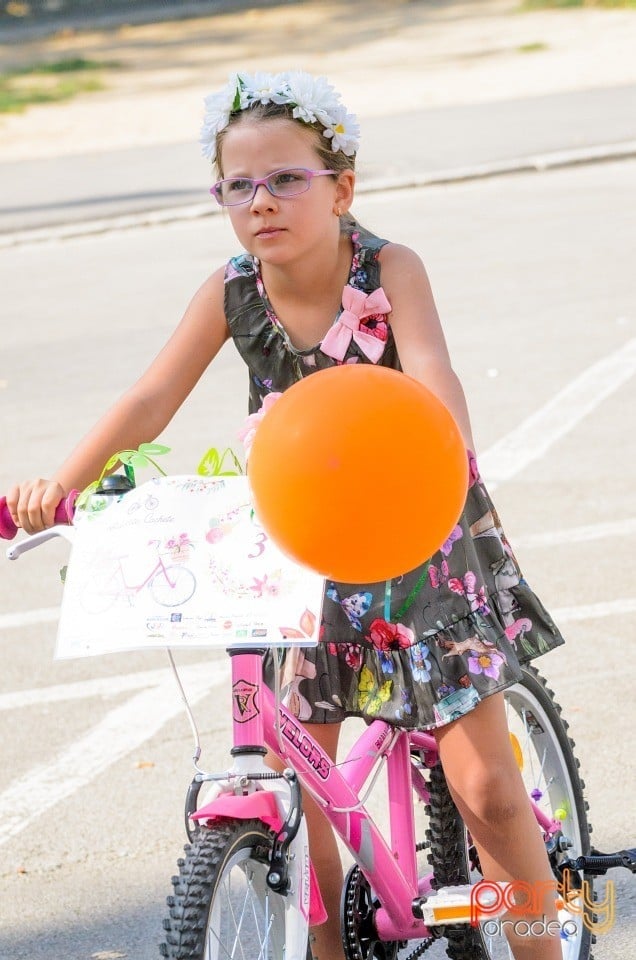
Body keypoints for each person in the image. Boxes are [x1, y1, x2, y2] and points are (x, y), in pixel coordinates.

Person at [7, 71, 567, 960]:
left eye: (285, 179)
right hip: (305, 551)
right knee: (301, 779)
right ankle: (323, 947)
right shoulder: (233, 290)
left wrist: (446, 453)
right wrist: (58, 484)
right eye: (238, 186)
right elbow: (152, 397)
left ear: (341, 187)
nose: (259, 201)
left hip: (421, 532)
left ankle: (542, 941)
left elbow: (433, 375)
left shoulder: (388, 268)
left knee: (488, 789)